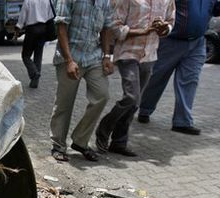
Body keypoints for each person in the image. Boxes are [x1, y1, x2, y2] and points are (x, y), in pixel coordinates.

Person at [95, 0, 175, 156]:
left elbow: (171, 22)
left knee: (135, 103)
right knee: (131, 97)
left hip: (150, 54)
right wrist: (142, 31)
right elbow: (115, 26)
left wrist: (165, 28)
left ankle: (119, 142)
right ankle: (103, 130)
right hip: (128, 52)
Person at [137, 0, 220, 135]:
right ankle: (144, 109)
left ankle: (182, 122)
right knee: (157, 78)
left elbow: (216, 11)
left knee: (190, 81)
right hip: (171, 41)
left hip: (197, 42)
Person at [49, 0, 115, 162]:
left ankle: (80, 141)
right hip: (70, 57)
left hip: (94, 57)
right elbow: (61, 26)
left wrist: (107, 56)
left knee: (102, 95)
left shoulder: (104, 2)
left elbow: (106, 28)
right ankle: (58, 145)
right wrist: (69, 60)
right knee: (64, 103)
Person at [16, 0, 55, 88]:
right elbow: (51, 16)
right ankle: (35, 82)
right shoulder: (48, 1)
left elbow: (22, 16)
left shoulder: (28, 1)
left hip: (31, 30)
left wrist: (18, 28)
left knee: (25, 56)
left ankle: (34, 73)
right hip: (44, 29)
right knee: (38, 55)